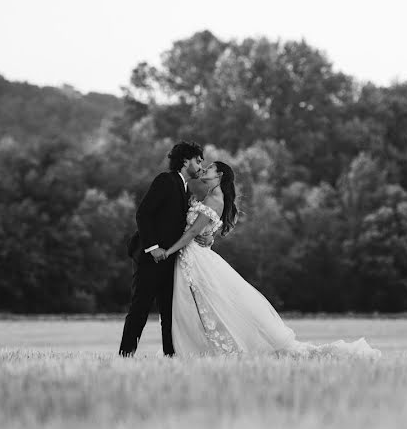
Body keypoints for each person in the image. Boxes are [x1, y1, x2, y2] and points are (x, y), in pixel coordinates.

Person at [163, 161, 380, 358]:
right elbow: (202, 231)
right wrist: (207, 238)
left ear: (219, 175)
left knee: (208, 306)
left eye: (209, 168)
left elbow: (192, 233)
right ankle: (196, 349)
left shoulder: (213, 198)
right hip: (194, 256)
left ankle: (200, 350)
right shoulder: (209, 196)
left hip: (195, 258)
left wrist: (168, 250)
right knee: (200, 306)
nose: (205, 170)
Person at [119, 141, 204, 357]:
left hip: (171, 259)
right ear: (185, 161)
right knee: (140, 308)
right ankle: (125, 355)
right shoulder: (166, 180)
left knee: (169, 311)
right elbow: (143, 214)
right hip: (151, 258)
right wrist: (153, 247)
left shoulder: (185, 188)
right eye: (198, 160)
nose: (201, 166)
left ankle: (170, 356)